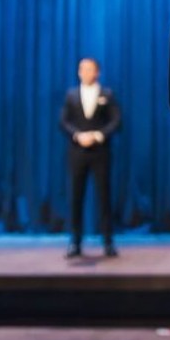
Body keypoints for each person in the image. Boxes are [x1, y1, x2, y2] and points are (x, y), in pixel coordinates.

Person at [60, 57, 122, 258]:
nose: (85, 73)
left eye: (89, 69)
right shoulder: (71, 95)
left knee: (104, 197)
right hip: (77, 153)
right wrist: (77, 135)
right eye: (82, 69)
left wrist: (98, 135)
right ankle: (75, 242)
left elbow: (116, 120)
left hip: (100, 153)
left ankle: (108, 242)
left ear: (97, 72)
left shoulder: (107, 94)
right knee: (75, 197)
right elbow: (64, 121)